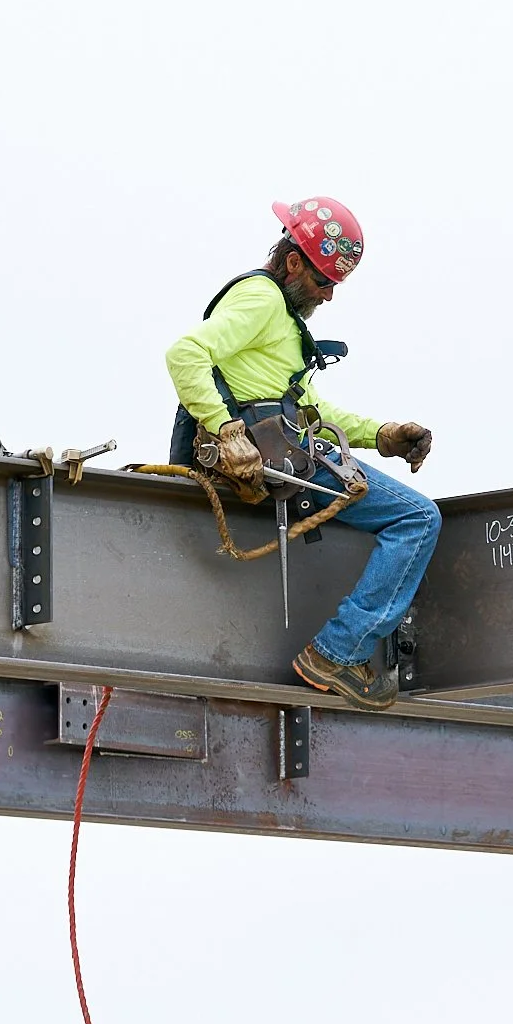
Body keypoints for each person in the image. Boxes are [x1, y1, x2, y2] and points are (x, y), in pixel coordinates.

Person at [164, 197, 438, 709]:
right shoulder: (262, 299)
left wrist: (382, 434)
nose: (329, 295)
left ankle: (339, 650)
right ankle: (339, 652)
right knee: (418, 520)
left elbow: (310, 412)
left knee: (413, 515)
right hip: (271, 454)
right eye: (323, 281)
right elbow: (185, 353)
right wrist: (227, 430)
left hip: (281, 449)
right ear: (293, 262)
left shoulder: (281, 317)